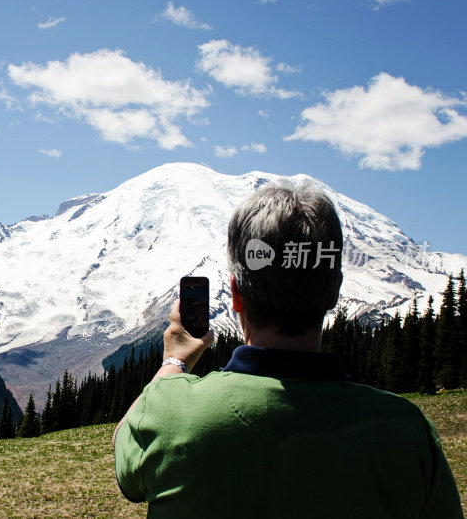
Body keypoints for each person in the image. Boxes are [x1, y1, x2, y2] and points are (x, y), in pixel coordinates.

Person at [113, 182, 463, 518]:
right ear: (333, 291)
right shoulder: (408, 430)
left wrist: (175, 360)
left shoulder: (171, 409)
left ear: (236, 293)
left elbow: (125, 459)